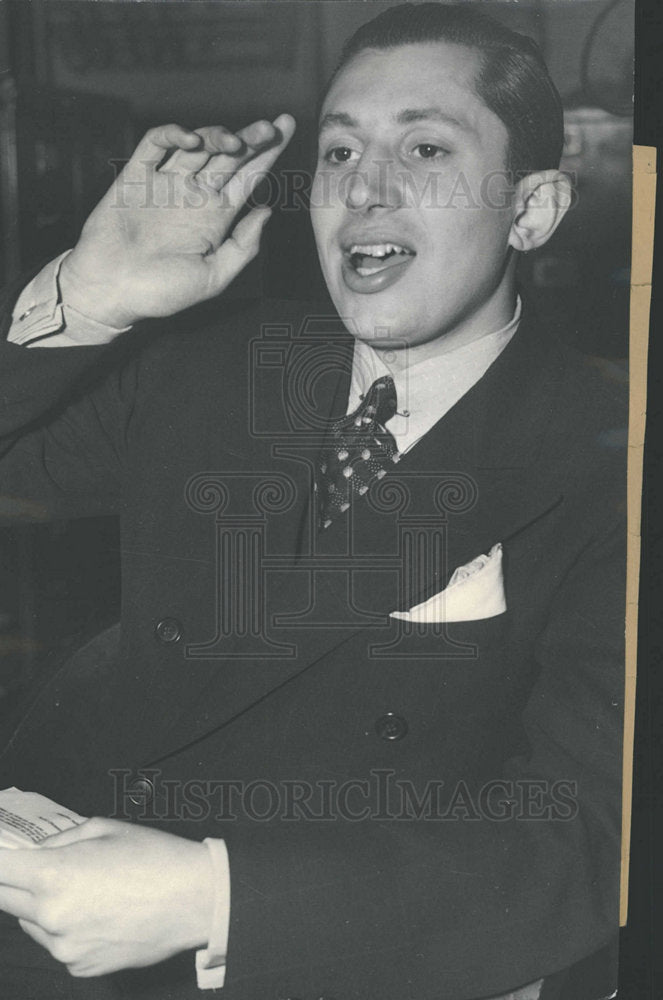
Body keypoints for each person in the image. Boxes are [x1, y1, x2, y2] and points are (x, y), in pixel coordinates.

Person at [0, 4, 627, 1000]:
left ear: (532, 209)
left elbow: (587, 838)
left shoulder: (612, 460)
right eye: (339, 151)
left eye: (425, 145)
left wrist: (214, 902)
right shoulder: (215, 365)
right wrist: (96, 292)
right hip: (52, 919)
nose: (365, 188)